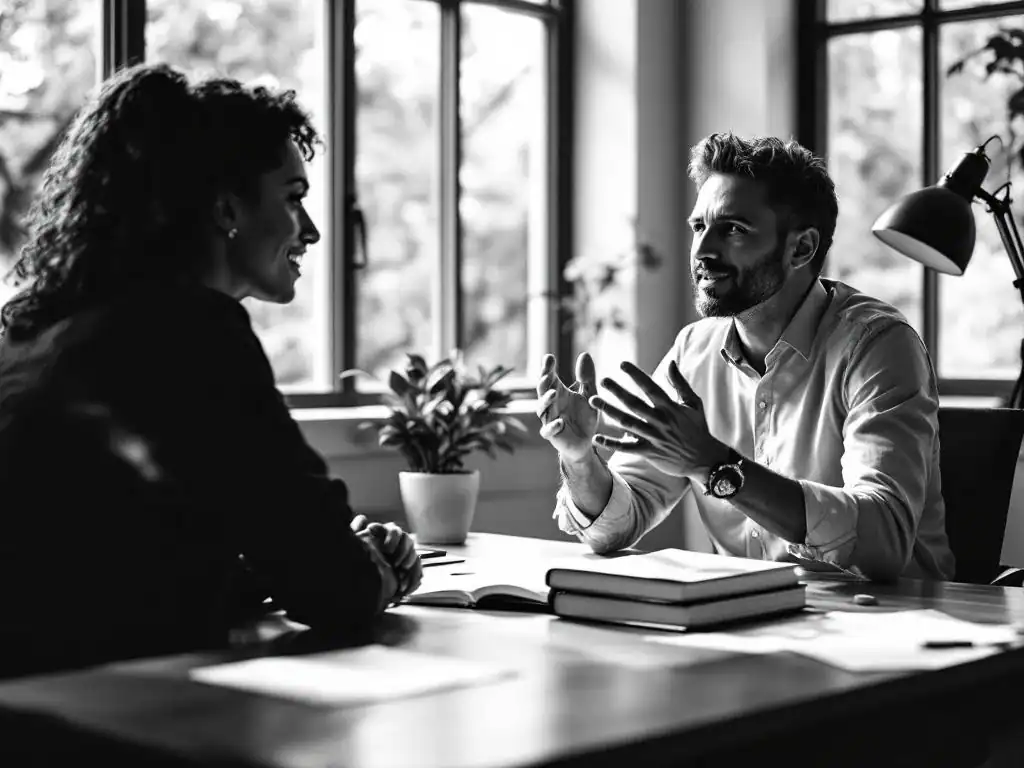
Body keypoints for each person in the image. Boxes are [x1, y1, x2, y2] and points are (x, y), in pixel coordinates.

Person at [0, 63, 421, 676]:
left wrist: (306, 562)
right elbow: (337, 590)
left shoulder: (39, 331)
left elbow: (125, 560)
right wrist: (381, 570)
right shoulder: (194, 331)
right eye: (293, 198)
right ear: (226, 208)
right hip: (94, 705)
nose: (311, 231)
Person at [537, 132, 954, 582]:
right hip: (753, 612)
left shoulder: (878, 345)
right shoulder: (693, 351)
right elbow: (618, 524)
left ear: (801, 248)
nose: (703, 251)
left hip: (897, 616)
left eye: (733, 229)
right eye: (699, 227)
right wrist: (580, 460)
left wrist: (715, 466)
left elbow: (884, 539)